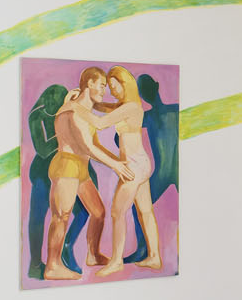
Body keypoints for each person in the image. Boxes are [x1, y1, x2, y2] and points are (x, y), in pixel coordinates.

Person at [44, 67, 131, 281]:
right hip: (67, 166)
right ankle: (52, 266)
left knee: (98, 212)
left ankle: (93, 254)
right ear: (90, 83)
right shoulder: (72, 111)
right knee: (61, 215)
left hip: (80, 169)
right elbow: (87, 147)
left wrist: (118, 160)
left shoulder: (83, 111)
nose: (104, 90)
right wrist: (115, 165)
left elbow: (95, 145)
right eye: (101, 85)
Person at [86, 65, 163, 275]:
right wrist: (89, 99)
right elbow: (104, 107)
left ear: (125, 84)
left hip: (134, 166)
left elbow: (100, 123)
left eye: (114, 86)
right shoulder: (128, 106)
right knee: (145, 211)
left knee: (117, 213)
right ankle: (155, 257)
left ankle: (116, 261)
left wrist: (77, 108)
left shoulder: (130, 107)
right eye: (110, 87)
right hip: (140, 163)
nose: (112, 91)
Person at [26, 83, 91, 278]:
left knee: (85, 211)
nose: (54, 106)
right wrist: (65, 130)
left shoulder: (68, 113)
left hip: (67, 169)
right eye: (52, 103)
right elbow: (43, 150)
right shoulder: (36, 116)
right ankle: (35, 264)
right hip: (43, 172)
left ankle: (66, 247)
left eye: (59, 103)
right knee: (38, 217)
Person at [121, 72, 177, 263]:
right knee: (140, 205)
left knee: (139, 206)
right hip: (170, 172)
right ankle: (143, 250)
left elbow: (121, 133)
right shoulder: (174, 110)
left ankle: (143, 249)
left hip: (165, 172)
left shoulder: (151, 116)